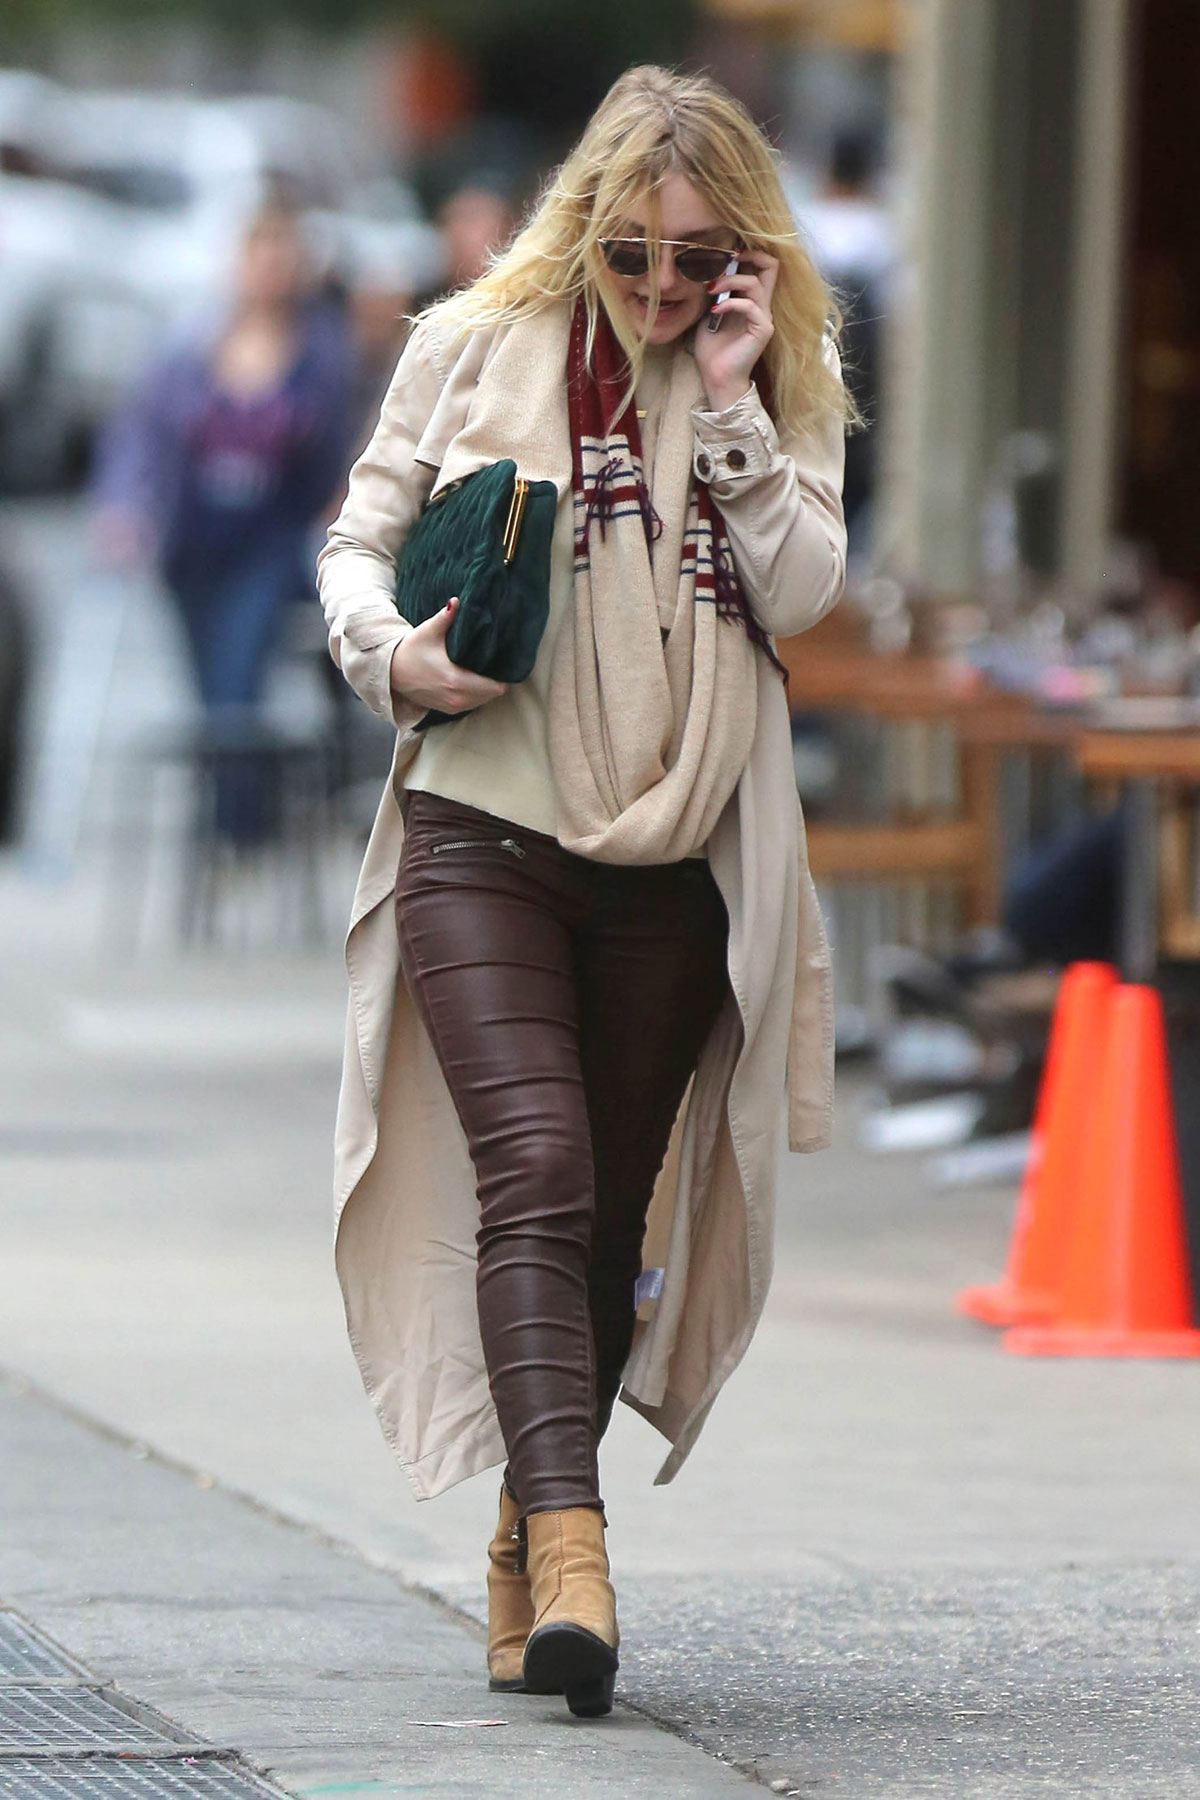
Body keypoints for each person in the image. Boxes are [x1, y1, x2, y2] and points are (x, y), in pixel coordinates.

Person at [317, 64, 848, 1718]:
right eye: (634, 253)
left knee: (608, 1217)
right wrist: (392, 655)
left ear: (746, 256)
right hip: (483, 823)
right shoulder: (473, 344)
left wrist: (738, 403)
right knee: (537, 1170)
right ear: (586, 225)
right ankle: (576, 1559)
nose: (663, 288)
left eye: (700, 259)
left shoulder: (776, 374)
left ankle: (521, 1540)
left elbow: (804, 591)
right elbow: (357, 543)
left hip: (677, 854)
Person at [94, 200, 355, 844]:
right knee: (209, 691)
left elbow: (344, 449)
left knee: (239, 683)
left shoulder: (321, 355)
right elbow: (142, 432)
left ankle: (236, 831)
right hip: (193, 541)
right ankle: (225, 820)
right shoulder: (193, 344)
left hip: (269, 543)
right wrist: (123, 507)